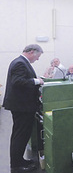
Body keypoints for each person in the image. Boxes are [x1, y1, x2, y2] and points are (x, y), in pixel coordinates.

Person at [3, 44, 44, 173]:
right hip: (22, 106)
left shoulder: (20, 62)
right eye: (37, 56)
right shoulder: (20, 63)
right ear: (31, 52)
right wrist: (37, 81)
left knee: (19, 134)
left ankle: (19, 160)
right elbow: (18, 81)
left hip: (22, 105)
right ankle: (17, 165)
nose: (37, 59)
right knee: (20, 135)